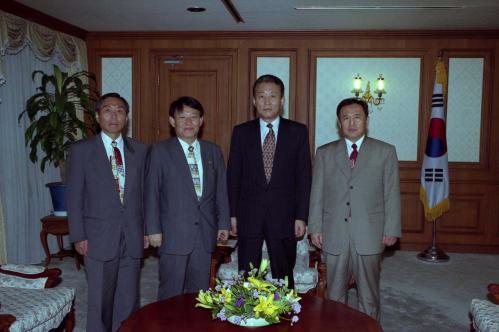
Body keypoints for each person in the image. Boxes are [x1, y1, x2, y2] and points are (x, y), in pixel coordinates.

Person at [308, 97, 401, 320]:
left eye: (357, 117)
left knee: (368, 296)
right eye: (346, 118)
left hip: (370, 233)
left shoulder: (385, 151)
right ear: (339, 123)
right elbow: (316, 193)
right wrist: (315, 228)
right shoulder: (325, 153)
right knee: (334, 295)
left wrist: (392, 229)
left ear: (366, 120)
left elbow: (391, 193)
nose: (351, 123)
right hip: (334, 233)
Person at [67, 93, 149, 332]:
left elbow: (146, 196)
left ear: (127, 117)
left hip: (133, 234)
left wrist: (147, 230)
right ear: (97, 116)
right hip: (96, 236)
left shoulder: (140, 150)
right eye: (108, 110)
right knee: (100, 300)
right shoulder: (81, 150)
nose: (114, 116)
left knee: (129, 298)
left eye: (120, 111)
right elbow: (74, 197)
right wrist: (78, 235)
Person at [227, 74, 312, 289]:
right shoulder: (241, 132)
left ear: (282, 101)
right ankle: (245, 318)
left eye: (273, 96)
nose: (267, 101)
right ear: (254, 101)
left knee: (284, 277)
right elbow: (233, 176)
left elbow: (304, 177)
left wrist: (301, 216)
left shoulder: (298, 132)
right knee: (247, 276)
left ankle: (286, 318)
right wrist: (233, 214)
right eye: (261, 96)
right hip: (248, 215)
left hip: (284, 215)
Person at [145, 96, 230, 300]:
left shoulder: (213, 150)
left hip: (204, 233)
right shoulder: (160, 151)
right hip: (172, 234)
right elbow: (151, 192)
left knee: (199, 293)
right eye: (182, 117)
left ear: (202, 121)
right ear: (172, 121)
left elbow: (221, 190)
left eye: (194, 117)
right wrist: (153, 229)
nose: (188, 122)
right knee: (170, 293)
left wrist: (224, 223)